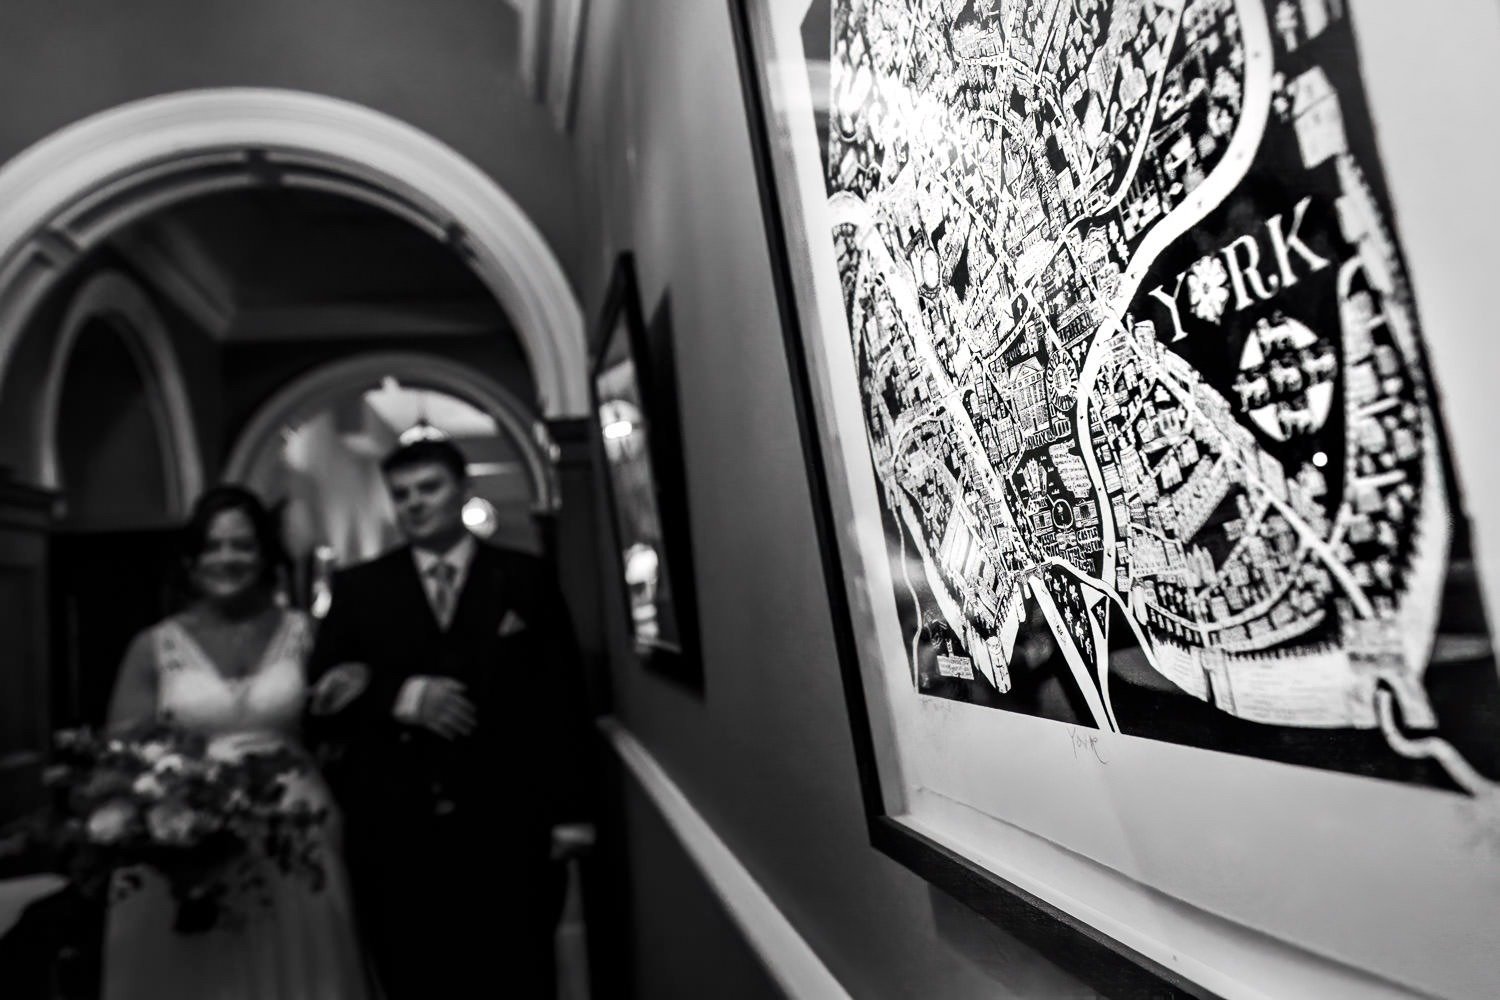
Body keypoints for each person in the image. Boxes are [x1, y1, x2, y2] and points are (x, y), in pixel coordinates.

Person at [307, 438, 592, 999]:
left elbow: (562, 696)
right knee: (416, 975)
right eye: (402, 494)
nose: (414, 503)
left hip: (511, 822)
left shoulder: (525, 578)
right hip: (397, 827)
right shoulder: (360, 588)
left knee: (519, 972)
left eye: (428, 488)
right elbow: (322, 699)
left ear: (463, 490)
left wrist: (572, 814)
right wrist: (400, 696)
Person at [101, 485, 372, 1000]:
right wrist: (169, 809)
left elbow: (340, 727)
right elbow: (121, 757)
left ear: (266, 554)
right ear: (191, 558)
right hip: (183, 840)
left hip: (296, 837)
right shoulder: (153, 646)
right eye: (213, 546)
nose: (227, 559)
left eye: (243, 545)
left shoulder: (306, 634)